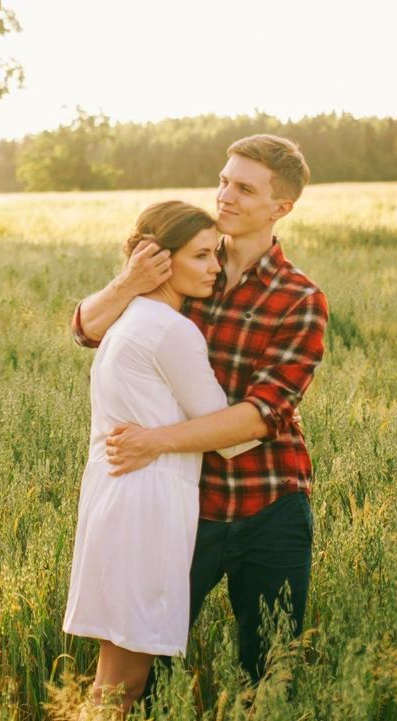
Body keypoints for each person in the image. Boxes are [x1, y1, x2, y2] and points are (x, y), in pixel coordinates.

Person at [70, 134, 327, 688]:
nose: (224, 195)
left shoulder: (299, 297)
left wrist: (156, 440)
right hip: (186, 507)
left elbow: (263, 416)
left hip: (268, 502)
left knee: (272, 672)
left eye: (244, 188)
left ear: (281, 207)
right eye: (223, 180)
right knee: (144, 666)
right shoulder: (188, 264)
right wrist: (130, 281)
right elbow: (86, 330)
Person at [62, 200, 257, 713]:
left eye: (215, 255)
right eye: (201, 256)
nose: (216, 268)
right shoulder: (171, 329)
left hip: (117, 495)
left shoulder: (129, 318)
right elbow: (229, 433)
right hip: (148, 504)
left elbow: (85, 324)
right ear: (160, 261)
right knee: (122, 682)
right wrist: (270, 413)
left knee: (115, 673)